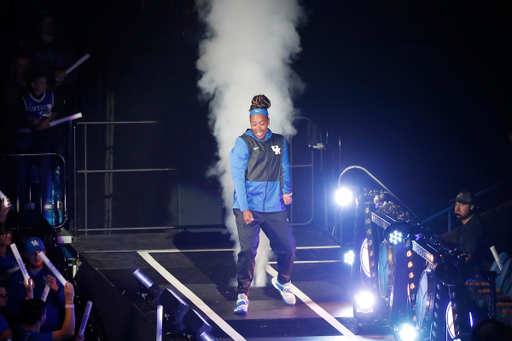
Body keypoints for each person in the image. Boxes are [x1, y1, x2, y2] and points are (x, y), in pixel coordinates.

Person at [230, 94, 296, 315]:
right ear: (250, 123)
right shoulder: (243, 143)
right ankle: (242, 295)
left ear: (268, 122)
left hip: (274, 205)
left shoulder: (278, 141)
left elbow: (284, 167)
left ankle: (283, 281)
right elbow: (238, 178)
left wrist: (286, 191)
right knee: (248, 251)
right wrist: (245, 207)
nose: (258, 127)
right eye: (254, 123)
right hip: (248, 206)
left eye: (261, 123)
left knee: (288, 248)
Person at [7, 237, 65, 333]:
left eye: (39, 253)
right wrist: (27, 311)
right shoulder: (16, 278)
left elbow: (65, 304)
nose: (37, 257)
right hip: (26, 332)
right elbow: (10, 308)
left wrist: (57, 290)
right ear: (26, 254)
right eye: (32, 253)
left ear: (45, 253)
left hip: (50, 330)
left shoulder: (54, 274)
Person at [441, 191, 494, 272]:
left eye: (462, 205)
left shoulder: (476, 226)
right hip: (472, 274)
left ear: (472, 207)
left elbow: (467, 258)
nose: (457, 208)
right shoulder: (462, 228)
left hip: (483, 276)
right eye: (456, 205)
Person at [19, 281, 83, 341]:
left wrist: (29, 293)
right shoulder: (34, 338)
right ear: (41, 317)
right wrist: (69, 300)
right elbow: (68, 332)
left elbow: (30, 309)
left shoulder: (22, 332)